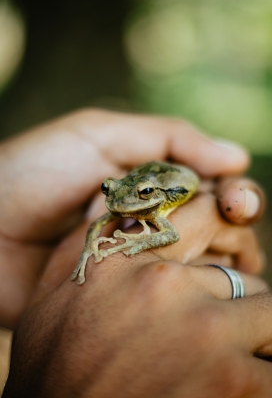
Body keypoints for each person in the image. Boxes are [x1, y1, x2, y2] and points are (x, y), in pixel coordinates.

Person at [1, 109, 270, 397]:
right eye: (108, 189)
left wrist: (136, 242)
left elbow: (172, 232)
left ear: (149, 193)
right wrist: (88, 250)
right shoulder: (119, 199)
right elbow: (99, 221)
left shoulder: (156, 203)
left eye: (140, 193)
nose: (118, 201)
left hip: (175, 189)